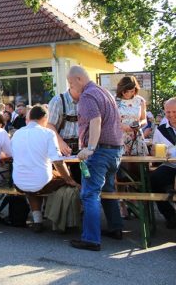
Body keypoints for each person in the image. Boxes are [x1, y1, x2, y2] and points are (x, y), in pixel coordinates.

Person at [67, 66, 123, 251]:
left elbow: (96, 120)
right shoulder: (103, 91)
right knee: (108, 189)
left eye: (70, 83)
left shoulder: (88, 95)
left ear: (78, 79)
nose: (70, 87)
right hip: (115, 150)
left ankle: (91, 239)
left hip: (99, 152)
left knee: (90, 194)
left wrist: (90, 148)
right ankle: (116, 228)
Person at [12, 105, 78, 232]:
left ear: (29, 118)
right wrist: (69, 179)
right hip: (42, 182)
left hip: (18, 182)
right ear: (45, 118)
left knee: (33, 181)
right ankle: (59, 219)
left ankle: (37, 220)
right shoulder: (48, 133)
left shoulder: (17, 134)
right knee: (66, 181)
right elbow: (58, 162)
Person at [150, 97, 176, 228]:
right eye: (168, 112)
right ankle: (171, 216)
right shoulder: (161, 130)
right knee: (153, 179)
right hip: (170, 165)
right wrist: (160, 153)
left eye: (174, 112)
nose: (171, 115)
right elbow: (154, 150)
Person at [47, 87, 82, 182]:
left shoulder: (85, 100)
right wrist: (60, 142)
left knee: (80, 180)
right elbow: (49, 124)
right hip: (60, 149)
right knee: (62, 181)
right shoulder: (57, 101)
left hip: (79, 149)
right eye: (80, 88)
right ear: (72, 85)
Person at [115, 75, 148, 156]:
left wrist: (139, 124)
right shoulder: (114, 101)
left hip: (136, 136)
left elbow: (144, 120)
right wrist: (122, 126)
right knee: (121, 166)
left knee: (138, 166)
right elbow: (110, 120)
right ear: (121, 89)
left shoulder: (140, 100)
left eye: (132, 91)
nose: (129, 94)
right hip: (120, 137)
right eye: (126, 91)